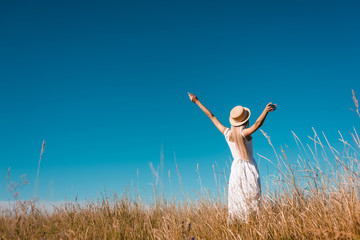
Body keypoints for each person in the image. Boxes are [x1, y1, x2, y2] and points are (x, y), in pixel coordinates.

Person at [188, 92, 276, 220]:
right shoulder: (244, 133)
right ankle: (252, 222)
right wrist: (265, 111)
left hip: (236, 168)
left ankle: (238, 222)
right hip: (249, 167)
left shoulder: (227, 133)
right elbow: (257, 124)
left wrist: (196, 101)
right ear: (245, 119)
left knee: (237, 198)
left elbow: (211, 116)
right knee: (252, 197)